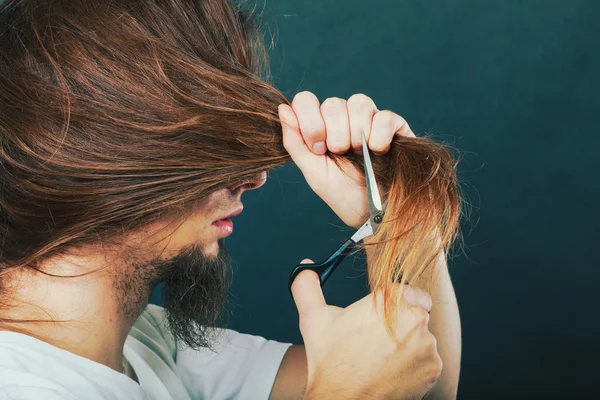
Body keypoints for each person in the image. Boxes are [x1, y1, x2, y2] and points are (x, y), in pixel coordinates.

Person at [0, 0, 461, 399]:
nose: (255, 178)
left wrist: (393, 216)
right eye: (205, 146)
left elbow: (416, 379)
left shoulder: (149, 345)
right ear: (100, 156)